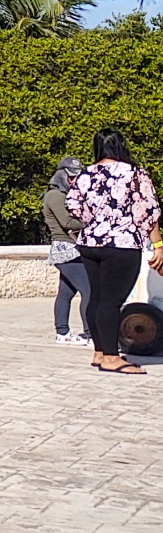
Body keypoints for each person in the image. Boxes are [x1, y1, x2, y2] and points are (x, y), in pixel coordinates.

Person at [64, 128, 162, 375]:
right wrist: (158, 244)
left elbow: (72, 204)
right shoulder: (134, 174)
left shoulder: (85, 174)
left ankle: (99, 351)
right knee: (112, 300)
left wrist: (95, 221)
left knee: (96, 297)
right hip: (121, 243)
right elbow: (148, 210)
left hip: (90, 242)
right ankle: (111, 357)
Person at [42, 157, 91, 345]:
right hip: (66, 249)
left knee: (66, 292)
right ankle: (90, 334)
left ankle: (62, 332)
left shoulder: (67, 195)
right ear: (61, 176)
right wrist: (93, 219)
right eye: (71, 178)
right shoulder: (55, 196)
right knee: (90, 291)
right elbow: (67, 223)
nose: (75, 181)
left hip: (72, 248)